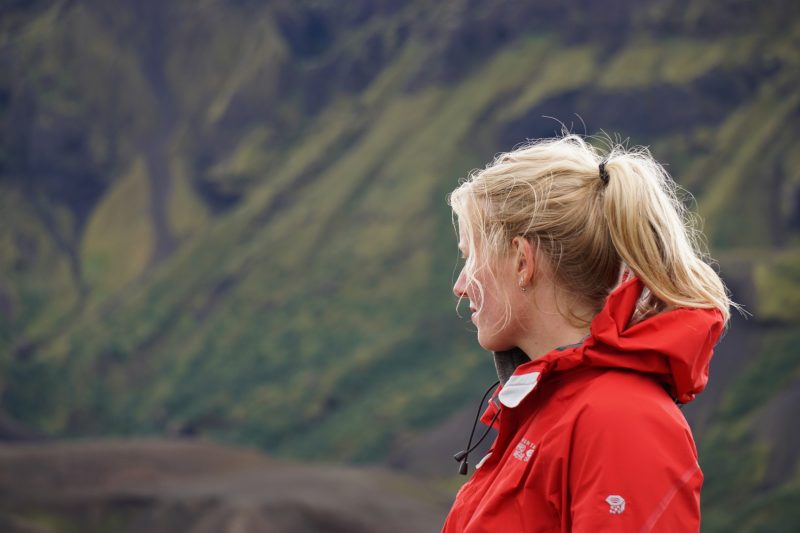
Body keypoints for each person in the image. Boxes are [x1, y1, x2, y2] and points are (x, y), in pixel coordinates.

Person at [442, 134, 732, 532]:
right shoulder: (551, 408)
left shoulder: (620, 420)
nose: (460, 285)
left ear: (522, 262)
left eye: (471, 257)